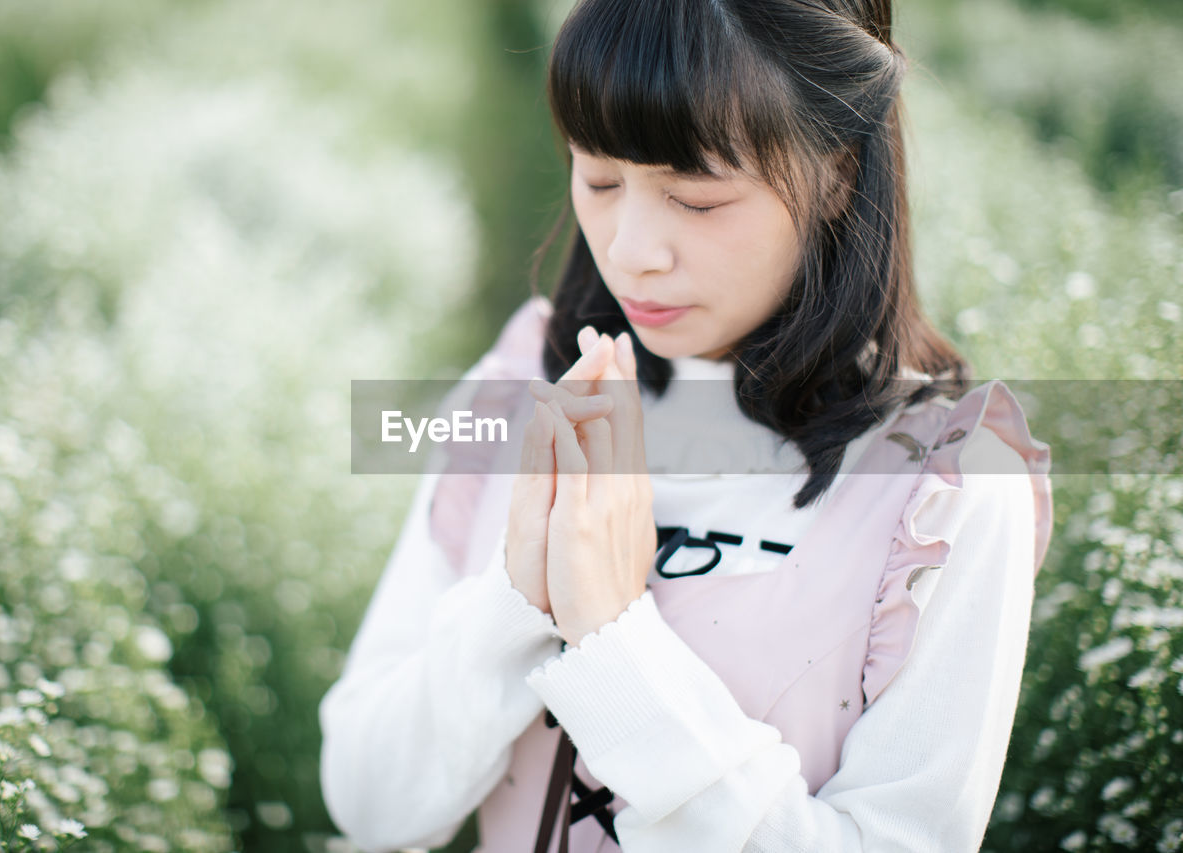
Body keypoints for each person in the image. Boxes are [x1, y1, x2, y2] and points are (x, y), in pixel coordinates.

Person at [319, 0, 1055, 850]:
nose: (632, 249)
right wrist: (516, 598)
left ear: (839, 173)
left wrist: (613, 640)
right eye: (597, 178)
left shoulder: (949, 485)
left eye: (697, 198)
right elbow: (367, 803)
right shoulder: (521, 384)